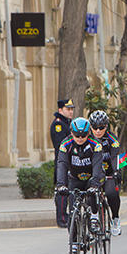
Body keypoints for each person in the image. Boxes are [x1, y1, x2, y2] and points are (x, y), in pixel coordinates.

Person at [55, 117, 104, 243]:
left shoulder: (96, 145)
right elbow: (62, 164)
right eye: (77, 135)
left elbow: (97, 166)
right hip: (74, 178)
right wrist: (60, 184)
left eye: (83, 135)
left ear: (88, 133)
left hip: (91, 178)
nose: (80, 138)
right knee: (72, 212)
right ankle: (75, 242)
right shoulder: (65, 145)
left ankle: (94, 217)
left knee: (92, 195)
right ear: (71, 133)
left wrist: (95, 184)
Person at [89, 110, 122, 236]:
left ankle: (115, 218)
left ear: (106, 127)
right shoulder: (86, 138)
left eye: (101, 128)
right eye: (95, 128)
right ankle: (93, 217)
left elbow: (115, 157)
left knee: (111, 193)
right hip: (93, 173)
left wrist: (116, 172)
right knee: (89, 193)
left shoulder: (112, 140)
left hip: (108, 172)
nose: (98, 131)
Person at [51, 98, 75, 228]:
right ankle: (61, 218)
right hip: (63, 162)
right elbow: (60, 145)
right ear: (60, 110)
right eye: (68, 109)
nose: (70, 112)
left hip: (71, 162)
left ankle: (67, 216)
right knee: (62, 191)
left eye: (72, 109)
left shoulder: (68, 123)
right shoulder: (58, 125)